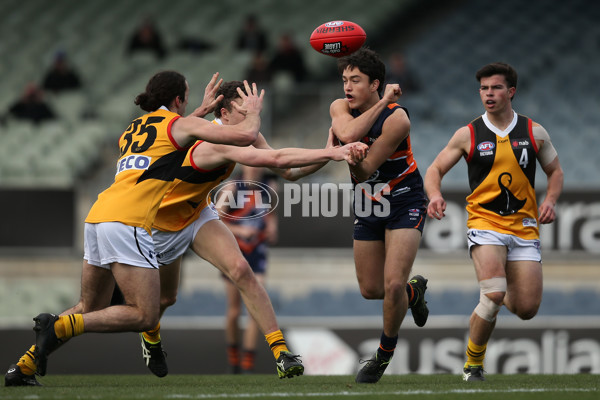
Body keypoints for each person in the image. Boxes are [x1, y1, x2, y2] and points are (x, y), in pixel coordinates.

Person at [4, 71, 264, 386]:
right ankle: (57, 327)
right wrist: (253, 112)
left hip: (97, 216)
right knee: (145, 315)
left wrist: (200, 113)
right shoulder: (178, 125)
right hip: (128, 221)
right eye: (187, 96)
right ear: (179, 99)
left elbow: (172, 134)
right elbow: (242, 136)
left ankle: (23, 367)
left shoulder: (134, 127)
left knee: (89, 306)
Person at [137, 80, 367, 379]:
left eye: (253, 113)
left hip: (196, 213)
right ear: (224, 113)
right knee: (166, 299)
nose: (251, 120)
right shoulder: (214, 137)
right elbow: (277, 158)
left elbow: (289, 172)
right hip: (163, 222)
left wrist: (327, 152)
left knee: (242, 271)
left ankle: (281, 353)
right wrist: (333, 154)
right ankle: (150, 340)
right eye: (245, 113)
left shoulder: (246, 135)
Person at [424, 62, 564, 382]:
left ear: (511, 92)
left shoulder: (534, 132)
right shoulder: (468, 133)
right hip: (484, 221)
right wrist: (434, 195)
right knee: (493, 293)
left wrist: (551, 201)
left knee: (527, 308)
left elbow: (555, 171)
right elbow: (434, 170)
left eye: (496, 88)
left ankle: (500, 295)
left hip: (525, 225)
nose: (489, 93)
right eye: (484, 88)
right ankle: (473, 364)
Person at [329, 47, 429, 383]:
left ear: (375, 84)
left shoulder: (397, 117)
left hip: (404, 198)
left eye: (355, 80)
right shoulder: (339, 107)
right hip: (369, 202)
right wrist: (350, 147)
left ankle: (381, 357)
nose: (347, 87)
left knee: (393, 282)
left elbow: (367, 167)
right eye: (345, 79)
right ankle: (414, 294)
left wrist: (355, 155)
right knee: (372, 290)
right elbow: (347, 135)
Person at [220, 166, 279, 374]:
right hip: (234, 251)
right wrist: (239, 229)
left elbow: (270, 214)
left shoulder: (269, 187)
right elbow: (215, 220)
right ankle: (233, 359)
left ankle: (248, 363)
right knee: (234, 311)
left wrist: (272, 226)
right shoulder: (232, 188)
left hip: (257, 251)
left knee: (255, 308)